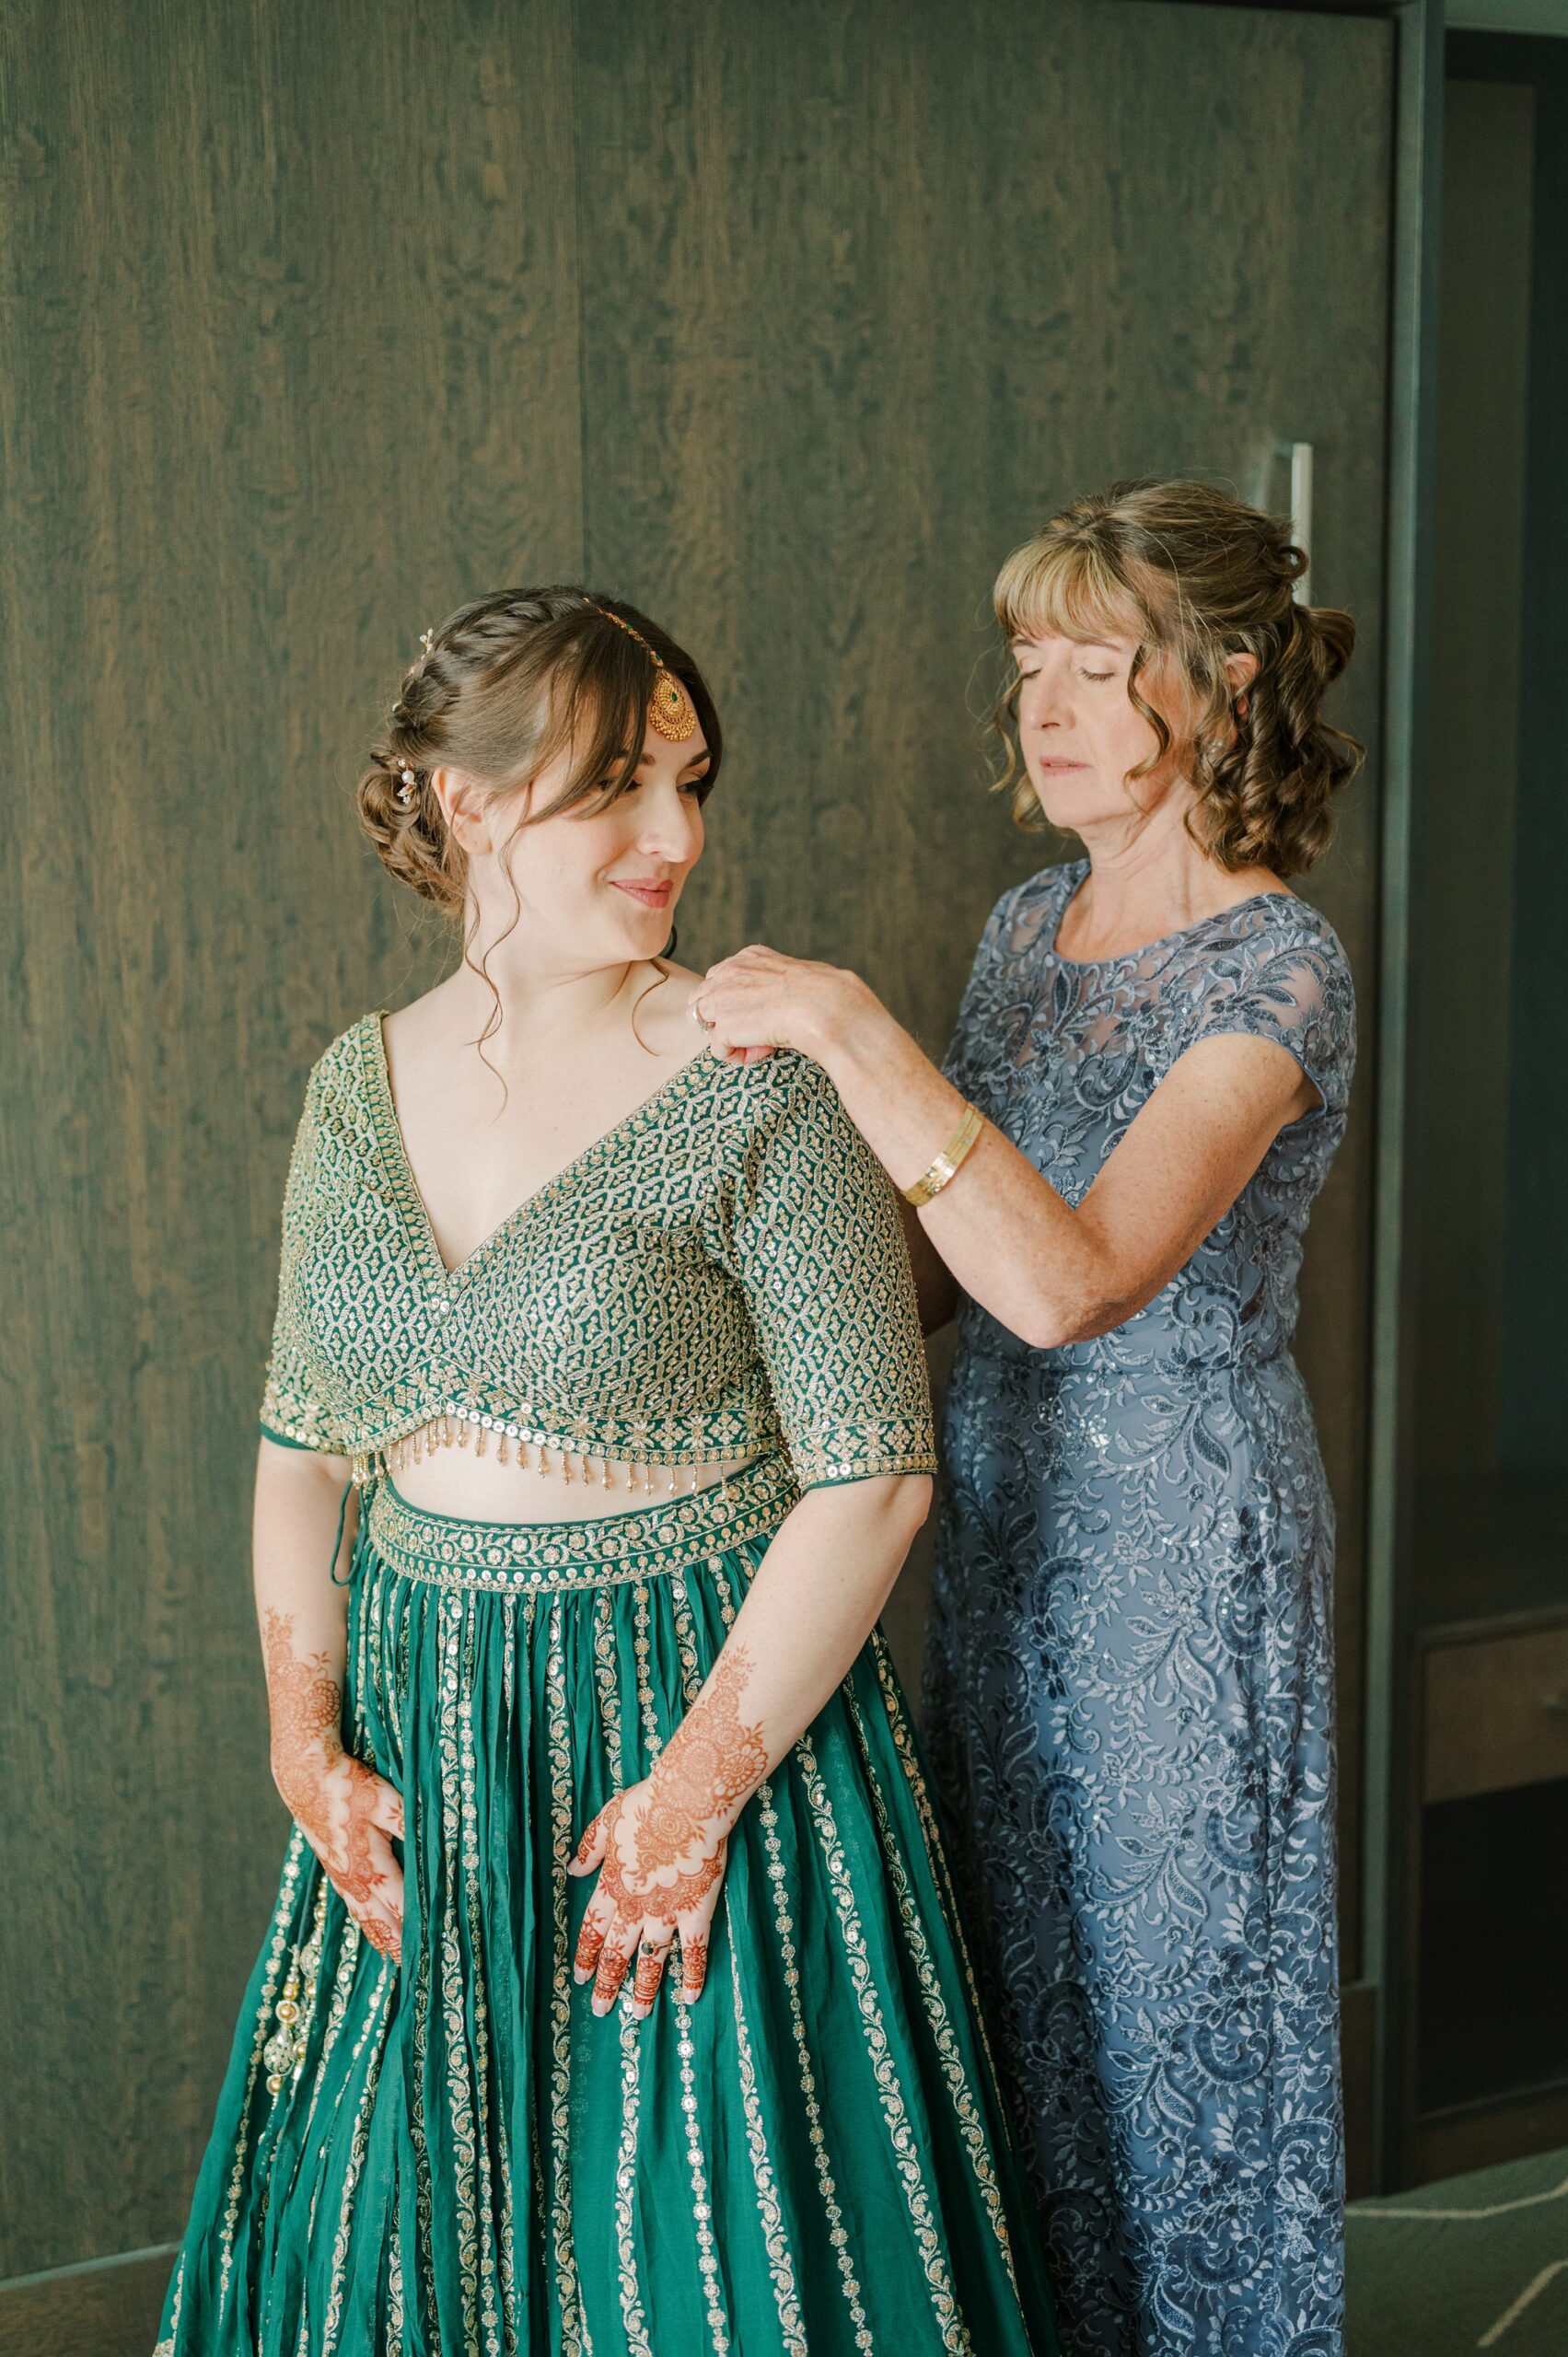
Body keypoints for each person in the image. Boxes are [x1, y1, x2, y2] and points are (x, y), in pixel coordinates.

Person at [153, 587, 1059, 2357]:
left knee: (706, 2251)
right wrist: (302, 1740)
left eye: (693, 782)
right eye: (615, 789)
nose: (676, 837)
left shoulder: (755, 1088)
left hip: (701, 1707)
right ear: (471, 804)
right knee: (391, 2238)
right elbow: (302, 1452)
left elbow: (873, 1475)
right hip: (427, 1731)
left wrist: (694, 1795)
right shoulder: (356, 1088)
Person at [691, 482, 1362, 2357]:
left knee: (1175, 2018)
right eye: (1027, 662)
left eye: (1097, 661)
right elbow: (952, 1263)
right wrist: (751, 1396)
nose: (1044, 703)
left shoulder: (1277, 967)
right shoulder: (1024, 923)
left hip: (1176, 1548)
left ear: (1226, 684)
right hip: (997, 1526)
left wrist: (847, 1024)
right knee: (1011, 2002)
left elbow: (1072, 1280)